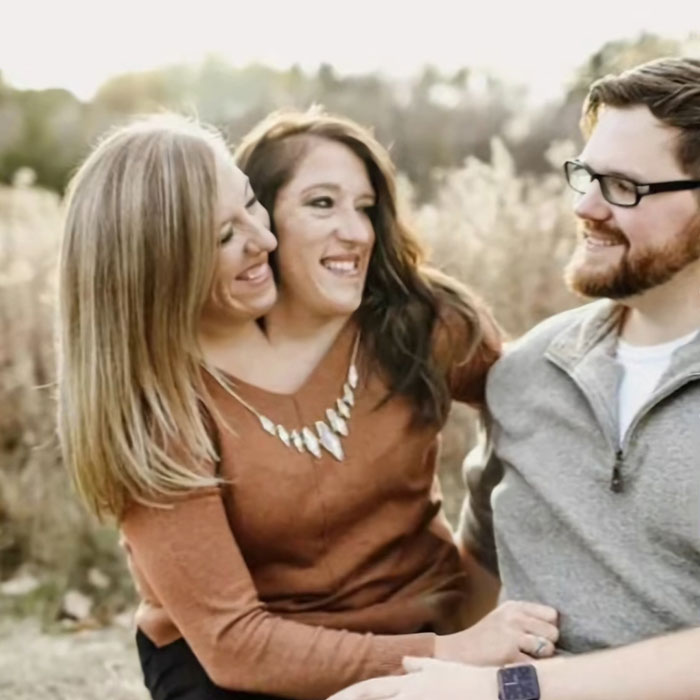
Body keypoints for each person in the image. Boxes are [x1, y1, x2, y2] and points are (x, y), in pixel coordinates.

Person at [57, 111, 558, 700]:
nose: (263, 241)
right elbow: (235, 646)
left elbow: (546, 407)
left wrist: (487, 555)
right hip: (243, 670)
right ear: (161, 267)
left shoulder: (412, 324)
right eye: (225, 236)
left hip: (418, 629)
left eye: (251, 206)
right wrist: (450, 653)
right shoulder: (156, 405)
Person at [326, 56, 700, 700]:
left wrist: (511, 689)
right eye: (586, 176)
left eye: (623, 187)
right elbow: (477, 582)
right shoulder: (528, 372)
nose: (585, 206)